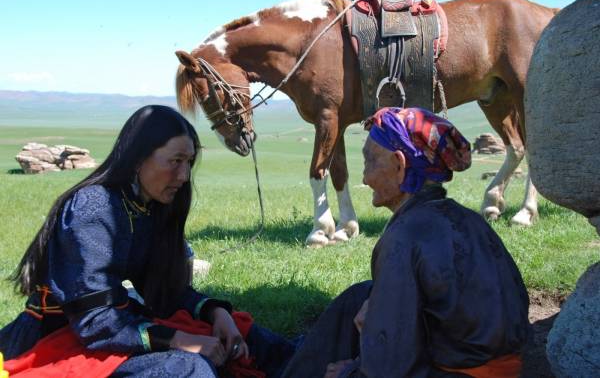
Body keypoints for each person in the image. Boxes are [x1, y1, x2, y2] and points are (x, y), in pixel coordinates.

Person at [0, 105, 295, 377]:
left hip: (111, 328)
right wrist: (179, 340)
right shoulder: (93, 208)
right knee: (189, 368)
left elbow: (164, 292)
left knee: (245, 333)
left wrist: (216, 313)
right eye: (175, 161)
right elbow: (93, 321)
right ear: (138, 158)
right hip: (60, 340)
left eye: (189, 161)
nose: (183, 175)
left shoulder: (147, 206)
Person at [282, 107, 531, 378]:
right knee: (358, 297)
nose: (365, 178)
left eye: (369, 162)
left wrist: (348, 373)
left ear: (400, 165)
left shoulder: (403, 237)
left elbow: (390, 368)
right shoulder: (471, 220)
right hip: (504, 365)